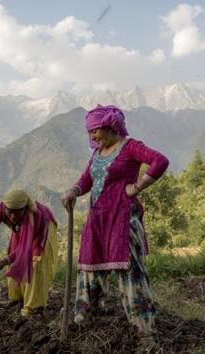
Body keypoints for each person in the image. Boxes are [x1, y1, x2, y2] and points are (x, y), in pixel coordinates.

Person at [61, 105, 169, 342]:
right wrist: (73, 191)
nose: (91, 136)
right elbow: (88, 178)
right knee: (90, 266)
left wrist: (138, 186)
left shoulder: (130, 147)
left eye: (95, 131)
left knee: (129, 271)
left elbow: (160, 161)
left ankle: (143, 330)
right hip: (98, 218)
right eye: (89, 132)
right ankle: (85, 319)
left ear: (110, 127)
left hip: (122, 220)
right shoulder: (98, 153)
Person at [0, 189, 58, 317]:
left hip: (42, 231)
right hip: (21, 230)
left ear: (25, 209)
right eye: (10, 212)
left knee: (36, 263)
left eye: (17, 212)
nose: (13, 216)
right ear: (5, 207)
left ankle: (33, 307)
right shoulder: (0, 209)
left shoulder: (33, 217)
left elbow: (24, 250)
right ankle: (18, 298)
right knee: (14, 258)